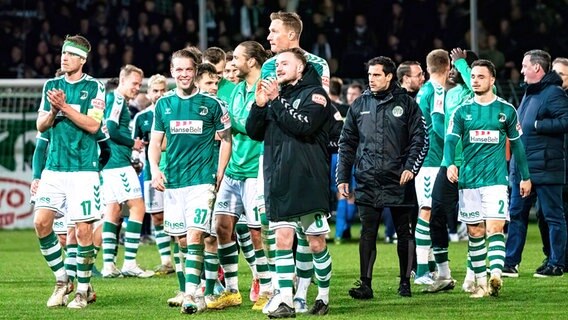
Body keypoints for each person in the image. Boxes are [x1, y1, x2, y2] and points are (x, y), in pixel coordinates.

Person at [247, 47, 333, 318]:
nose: (278, 68)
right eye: (277, 64)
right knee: (282, 239)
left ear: (301, 68)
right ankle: (285, 300)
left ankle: (322, 295)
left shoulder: (316, 95)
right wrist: (259, 106)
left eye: (285, 63)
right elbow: (254, 132)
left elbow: (304, 126)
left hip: (307, 179)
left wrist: (274, 101)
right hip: (279, 178)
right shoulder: (276, 97)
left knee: (316, 243)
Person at [148, 49, 232, 314]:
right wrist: (154, 169)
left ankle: (192, 294)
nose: (184, 74)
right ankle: (204, 288)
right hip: (173, 181)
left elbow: (227, 140)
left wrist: (219, 172)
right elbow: (154, 143)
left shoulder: (212, 104)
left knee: (196, 234)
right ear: (173, 72)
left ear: (196, 71)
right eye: (179, 70)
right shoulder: (163, 104)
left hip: (201, 180)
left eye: (188, 69)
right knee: (183, 241)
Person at [339, 56, 427, 299]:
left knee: (404, 231)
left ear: (389, 76)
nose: (372, 79)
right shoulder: (359, 104)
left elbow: (420, 138)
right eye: (369, 75)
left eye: (377, 75)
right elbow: (347, 143)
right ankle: (365, 284)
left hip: (399, 178)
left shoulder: (407, 104)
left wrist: (411, 168)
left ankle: (405, 282)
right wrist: (343, 177)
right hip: (367, 178)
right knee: (367, 232)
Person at [445, 59, 532, 297]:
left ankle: (495, 274)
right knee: (475, 233)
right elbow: (450, 140)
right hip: (469, 181)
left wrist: (525, 177)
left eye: (481, 77)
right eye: (472, 77)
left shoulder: (506, 110)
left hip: (496, 180)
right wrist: (450, 163)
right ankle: (480, 283)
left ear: (492, 80)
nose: (475, 81)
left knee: (495, 227)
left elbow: (518, 147)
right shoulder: (462, 111)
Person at [34, 34, 105, 309]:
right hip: (54, 168)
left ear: (83, 59)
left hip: (83, 169)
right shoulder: (51, 85)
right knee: (41, 223)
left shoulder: (95, 88)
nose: (64, 58)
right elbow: (42, 126)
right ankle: (63, 279)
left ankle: (83, 290)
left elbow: (93, 126)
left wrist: (64, 107)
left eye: (71, 54)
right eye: (63, 53)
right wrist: (53, 111)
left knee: (84, 230)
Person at [209, 40, 272, 311]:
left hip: (255, 169)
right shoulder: (235, 91)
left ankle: (268, 287)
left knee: (257, 232)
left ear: (252, 62)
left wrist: (233, 126)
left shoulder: (266, 89)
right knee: (222, 227)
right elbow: (229, 131)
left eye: (236, 58)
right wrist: (221, 171)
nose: (232, 63)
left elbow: (251, 126)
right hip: (234, 169)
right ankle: (232, 290)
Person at [503, 50, 568, 278]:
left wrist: (540, 125)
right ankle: (510, 263)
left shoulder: (553, 93)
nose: (521, 70)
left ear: (537, 68)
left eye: (524, 66)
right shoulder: (530, 93)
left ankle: (557, 263)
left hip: (547, 167)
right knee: (516, 214)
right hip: (525, 168)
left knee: (552, 216)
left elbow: (566, 120)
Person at [425, 48, 479, 294]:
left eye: (459, 66)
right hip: (449, 163)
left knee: (473, 221)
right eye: (454, 66)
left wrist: (463, 64)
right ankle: (444, 273)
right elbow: (445, 128)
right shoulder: (450, 93)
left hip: (472, 164)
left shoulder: (480, 92)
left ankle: (472, 274)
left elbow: (476, 84)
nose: (454, 70)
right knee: (436, 214)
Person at [100, 64, 152, 279]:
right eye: (134, 83)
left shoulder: (115, 100)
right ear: (122, 80)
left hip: (110, 162)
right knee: (138, 206)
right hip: (117, 162)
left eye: (140, 85)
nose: (137, 88)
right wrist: (133, 143)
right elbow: (110, 128)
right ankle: (129, 262)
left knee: (112, 212)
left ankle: (108, 265)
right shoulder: (117, 99)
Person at [413, 49, 451, 285]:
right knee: (426, 211)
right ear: (448, 67)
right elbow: (438, 123)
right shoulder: (436, 91)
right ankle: (421, 271)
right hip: (431, 160)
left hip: (428, 159)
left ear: (428, 68)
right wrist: (453, 143)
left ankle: (429, 268)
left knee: (431, 212)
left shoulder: (423, 90)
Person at [131, 74, 172, 276]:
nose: (159, 94)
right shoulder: (142, 118)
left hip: (175, 170)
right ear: (148, 93)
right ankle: (166, 261)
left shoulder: (175, 112)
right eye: (155, 90)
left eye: (162, 90)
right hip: (151, 172)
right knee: (157, 217)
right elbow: (135, 147)